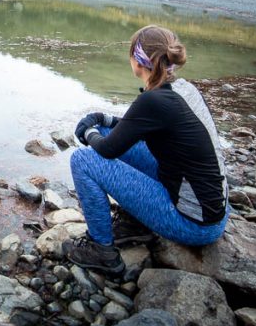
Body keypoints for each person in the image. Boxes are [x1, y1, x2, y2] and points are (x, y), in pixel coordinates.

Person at [62, 24, 230, 275]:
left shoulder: (152, 100)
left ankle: (101, 250)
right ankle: (135, 220)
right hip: (212, 209)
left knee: (82, 160)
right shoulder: (183, 88)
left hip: (194, 224)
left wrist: (88, 133)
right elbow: (134, 127)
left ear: (138, 61)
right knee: (110, 135)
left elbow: (108, 150)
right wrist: (103, 120)